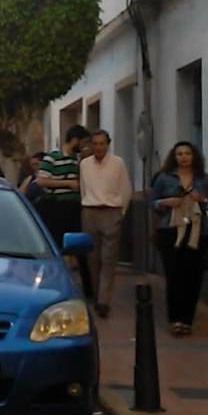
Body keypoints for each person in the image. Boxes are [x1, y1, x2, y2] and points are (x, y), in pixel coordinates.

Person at [149, 141, 208, 337]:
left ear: (194, 156)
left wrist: (203, 200)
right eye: (179, 153)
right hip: (170, 231)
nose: (183, 157)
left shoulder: (204, 179)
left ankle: (187, 319)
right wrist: (165, 202)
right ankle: (175, 320)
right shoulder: (164, 179)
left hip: (198, 232)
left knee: (193, 277)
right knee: (174, 276)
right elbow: (152, 203)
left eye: (187, 153)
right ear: (174, 157)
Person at [80, 130, 132, 318]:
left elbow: (125, 189)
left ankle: (103, 300)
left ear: (108, 144)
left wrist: (120, 212)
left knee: (108, 258)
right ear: (91, 145)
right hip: (90, 211)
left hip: (111, 211)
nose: (99, 147)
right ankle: (96, 294)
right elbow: (83, 188)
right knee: (92, 258)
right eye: (95, 143)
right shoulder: (85, 164)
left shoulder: (118, 163)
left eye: (102, 143)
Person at [35, 125, 93, 298]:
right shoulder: (52, 157)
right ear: (75, 139)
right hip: (58, 208)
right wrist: (67, 184)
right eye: (83, 142)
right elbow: (41, 181)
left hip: (76, 208)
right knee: (58, 248)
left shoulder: (77, 160)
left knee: (80, 248)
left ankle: (88, 290)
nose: (84, 146)